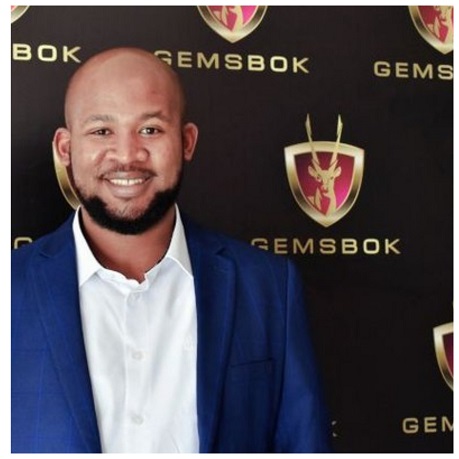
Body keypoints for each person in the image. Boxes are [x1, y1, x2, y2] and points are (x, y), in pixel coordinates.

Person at [11, 47, 330, 453]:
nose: (127, 156)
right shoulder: (10, 287)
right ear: (65, 148)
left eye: (150, 129)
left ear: (187, 141)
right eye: (101, 131)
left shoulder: (267, 287)